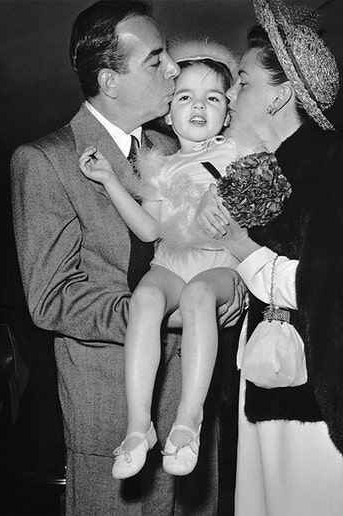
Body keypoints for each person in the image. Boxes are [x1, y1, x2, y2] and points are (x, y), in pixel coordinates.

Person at [10, 2, 244, 514]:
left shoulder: (179, 142)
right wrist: (159, 312)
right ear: (110, 81)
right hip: (112, 416)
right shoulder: (45, 161)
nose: (174, 70)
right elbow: (51, 299)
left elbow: (229, 241)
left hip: (194, 411)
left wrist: (236, 291)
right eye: (156, 60)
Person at [196, 0, 343, 514]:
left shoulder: (340, 160)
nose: (229, 93)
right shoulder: (269, 165)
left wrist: (243, 251)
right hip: (272, 390)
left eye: (242, 82)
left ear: (282, 95)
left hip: (326, 412)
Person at [77, 40, 241, 480]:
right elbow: (150, 231)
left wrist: (222, 192)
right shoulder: (161, 166)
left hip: (217, 263)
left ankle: (189, 421)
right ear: (169, 113)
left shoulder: (240, 155)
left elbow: (260, 213)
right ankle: (138, 426)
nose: (199, 106)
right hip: (171, 261)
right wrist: (112, 180)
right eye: (185, 96)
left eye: (213, 97)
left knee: (199, 293)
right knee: (146, 298)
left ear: (229, 110)